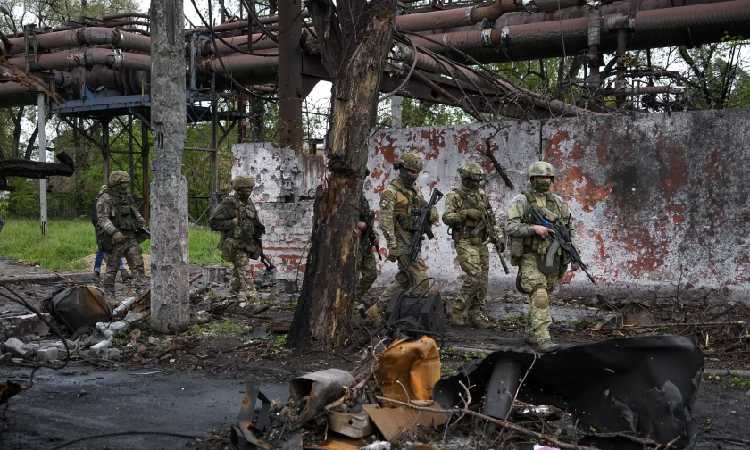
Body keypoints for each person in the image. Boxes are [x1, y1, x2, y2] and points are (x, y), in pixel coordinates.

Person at [505, 161, 577, 350]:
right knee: (539, 293)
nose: (544, 181)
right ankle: (543, 337)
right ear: (532, 179)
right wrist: (533, 228)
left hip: (552, 256)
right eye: (540, 177)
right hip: (531, 255)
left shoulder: (559, 203)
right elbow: (510, 226)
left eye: (547, 177)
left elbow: (569, 232)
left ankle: (531, 332)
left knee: (546, 292)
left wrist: (570, 265)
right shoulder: (521, 201)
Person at [442, 163, 503, 328]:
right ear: (466, 179)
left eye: (478, 181)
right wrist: (465, 214)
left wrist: (498, 236)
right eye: (473, 180)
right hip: (465, 240)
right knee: (474, 276)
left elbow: (490, 217)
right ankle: (457, 310)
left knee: (482, 280)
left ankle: (476, 313)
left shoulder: (482, 195)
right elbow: (447, 217)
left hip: (481, 241)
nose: (476, 184)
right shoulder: (455, 196)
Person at [378, 152, 438, 305]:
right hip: (401, 242)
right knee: (420, 278)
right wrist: (393, 246)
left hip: (412, 237)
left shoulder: (413, 189)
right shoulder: (390, 193)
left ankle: (376, 310)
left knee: (404, 280)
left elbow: (423, 204)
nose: (414, 175)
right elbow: (385, 222)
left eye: (416, 172)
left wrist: (431, 211)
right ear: (402, 169)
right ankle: (414, 311)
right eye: (411, 171)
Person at [209, 176, 265, 303]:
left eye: (251, 188)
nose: (249, 191)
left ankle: (232, 296)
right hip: (233, 243)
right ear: (238, 190)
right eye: (246, 189)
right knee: (244, 269)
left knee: (237, 271)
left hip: (246, 243)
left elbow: (255, 223)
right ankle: (253, 299)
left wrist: (257, 240)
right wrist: (232, 223)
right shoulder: (229, 203)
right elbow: (213, 222)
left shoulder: (249, 203)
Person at [95, 171, 147, 296]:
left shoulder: (126, 196)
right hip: (114, 239)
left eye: (127, 183)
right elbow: (102, 218)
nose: (126, 186)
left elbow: (133, 211)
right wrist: (113, 232)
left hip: (130, 236)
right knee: (112, 268)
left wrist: (142, 223)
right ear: (116, 183)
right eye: (123, 183)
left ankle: (141, 291)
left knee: (138, 264)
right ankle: (109, 293)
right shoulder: (105, 198)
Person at [91, 184, 128, 280]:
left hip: (109, 229)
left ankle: (98, 270)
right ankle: (98, 270)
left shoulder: (109, 200)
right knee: (103, 249)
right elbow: (95, 218)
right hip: (103, 230)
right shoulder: (99, 201)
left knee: (111, 248)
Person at [355, 185, 379, 304]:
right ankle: (349, 300)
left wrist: (374, 235)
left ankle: (355, 296)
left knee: (371, 273)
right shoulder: (344, 196)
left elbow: (367, 220)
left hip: (365, 243)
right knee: (352, 275)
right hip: (353, 244)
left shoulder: (361, 198)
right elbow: (336, 218)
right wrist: (356, 223)